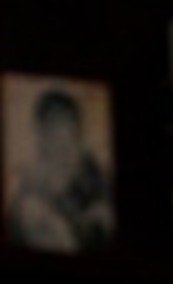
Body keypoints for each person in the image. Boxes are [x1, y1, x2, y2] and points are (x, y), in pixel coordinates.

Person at [4, 82, 113, 252]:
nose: (61, 147)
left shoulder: (100, 183)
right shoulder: (26, 203)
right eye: (53, 134)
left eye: (68, 132)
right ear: (41, 139)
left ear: (78, 136)